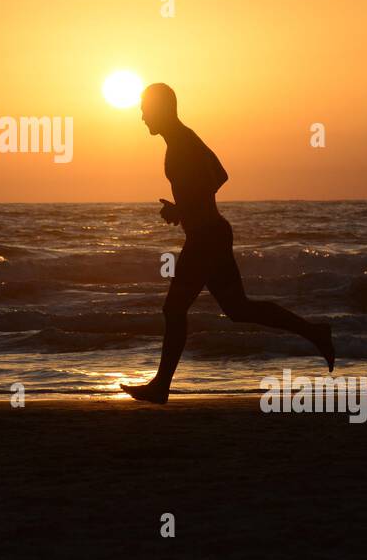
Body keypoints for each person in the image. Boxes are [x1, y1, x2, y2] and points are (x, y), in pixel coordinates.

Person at [122, 83, 335, 404]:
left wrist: (184, 209)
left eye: (145, 108)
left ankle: (161, 386)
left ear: (162, 108)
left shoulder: (181, 143)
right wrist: (186, 208)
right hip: (212, 233)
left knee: (174, 308)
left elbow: (213, 180)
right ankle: (315, 332)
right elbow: (221, 175)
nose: (141, 116)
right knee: (238, 308)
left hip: (207, 237)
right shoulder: (183, 139)